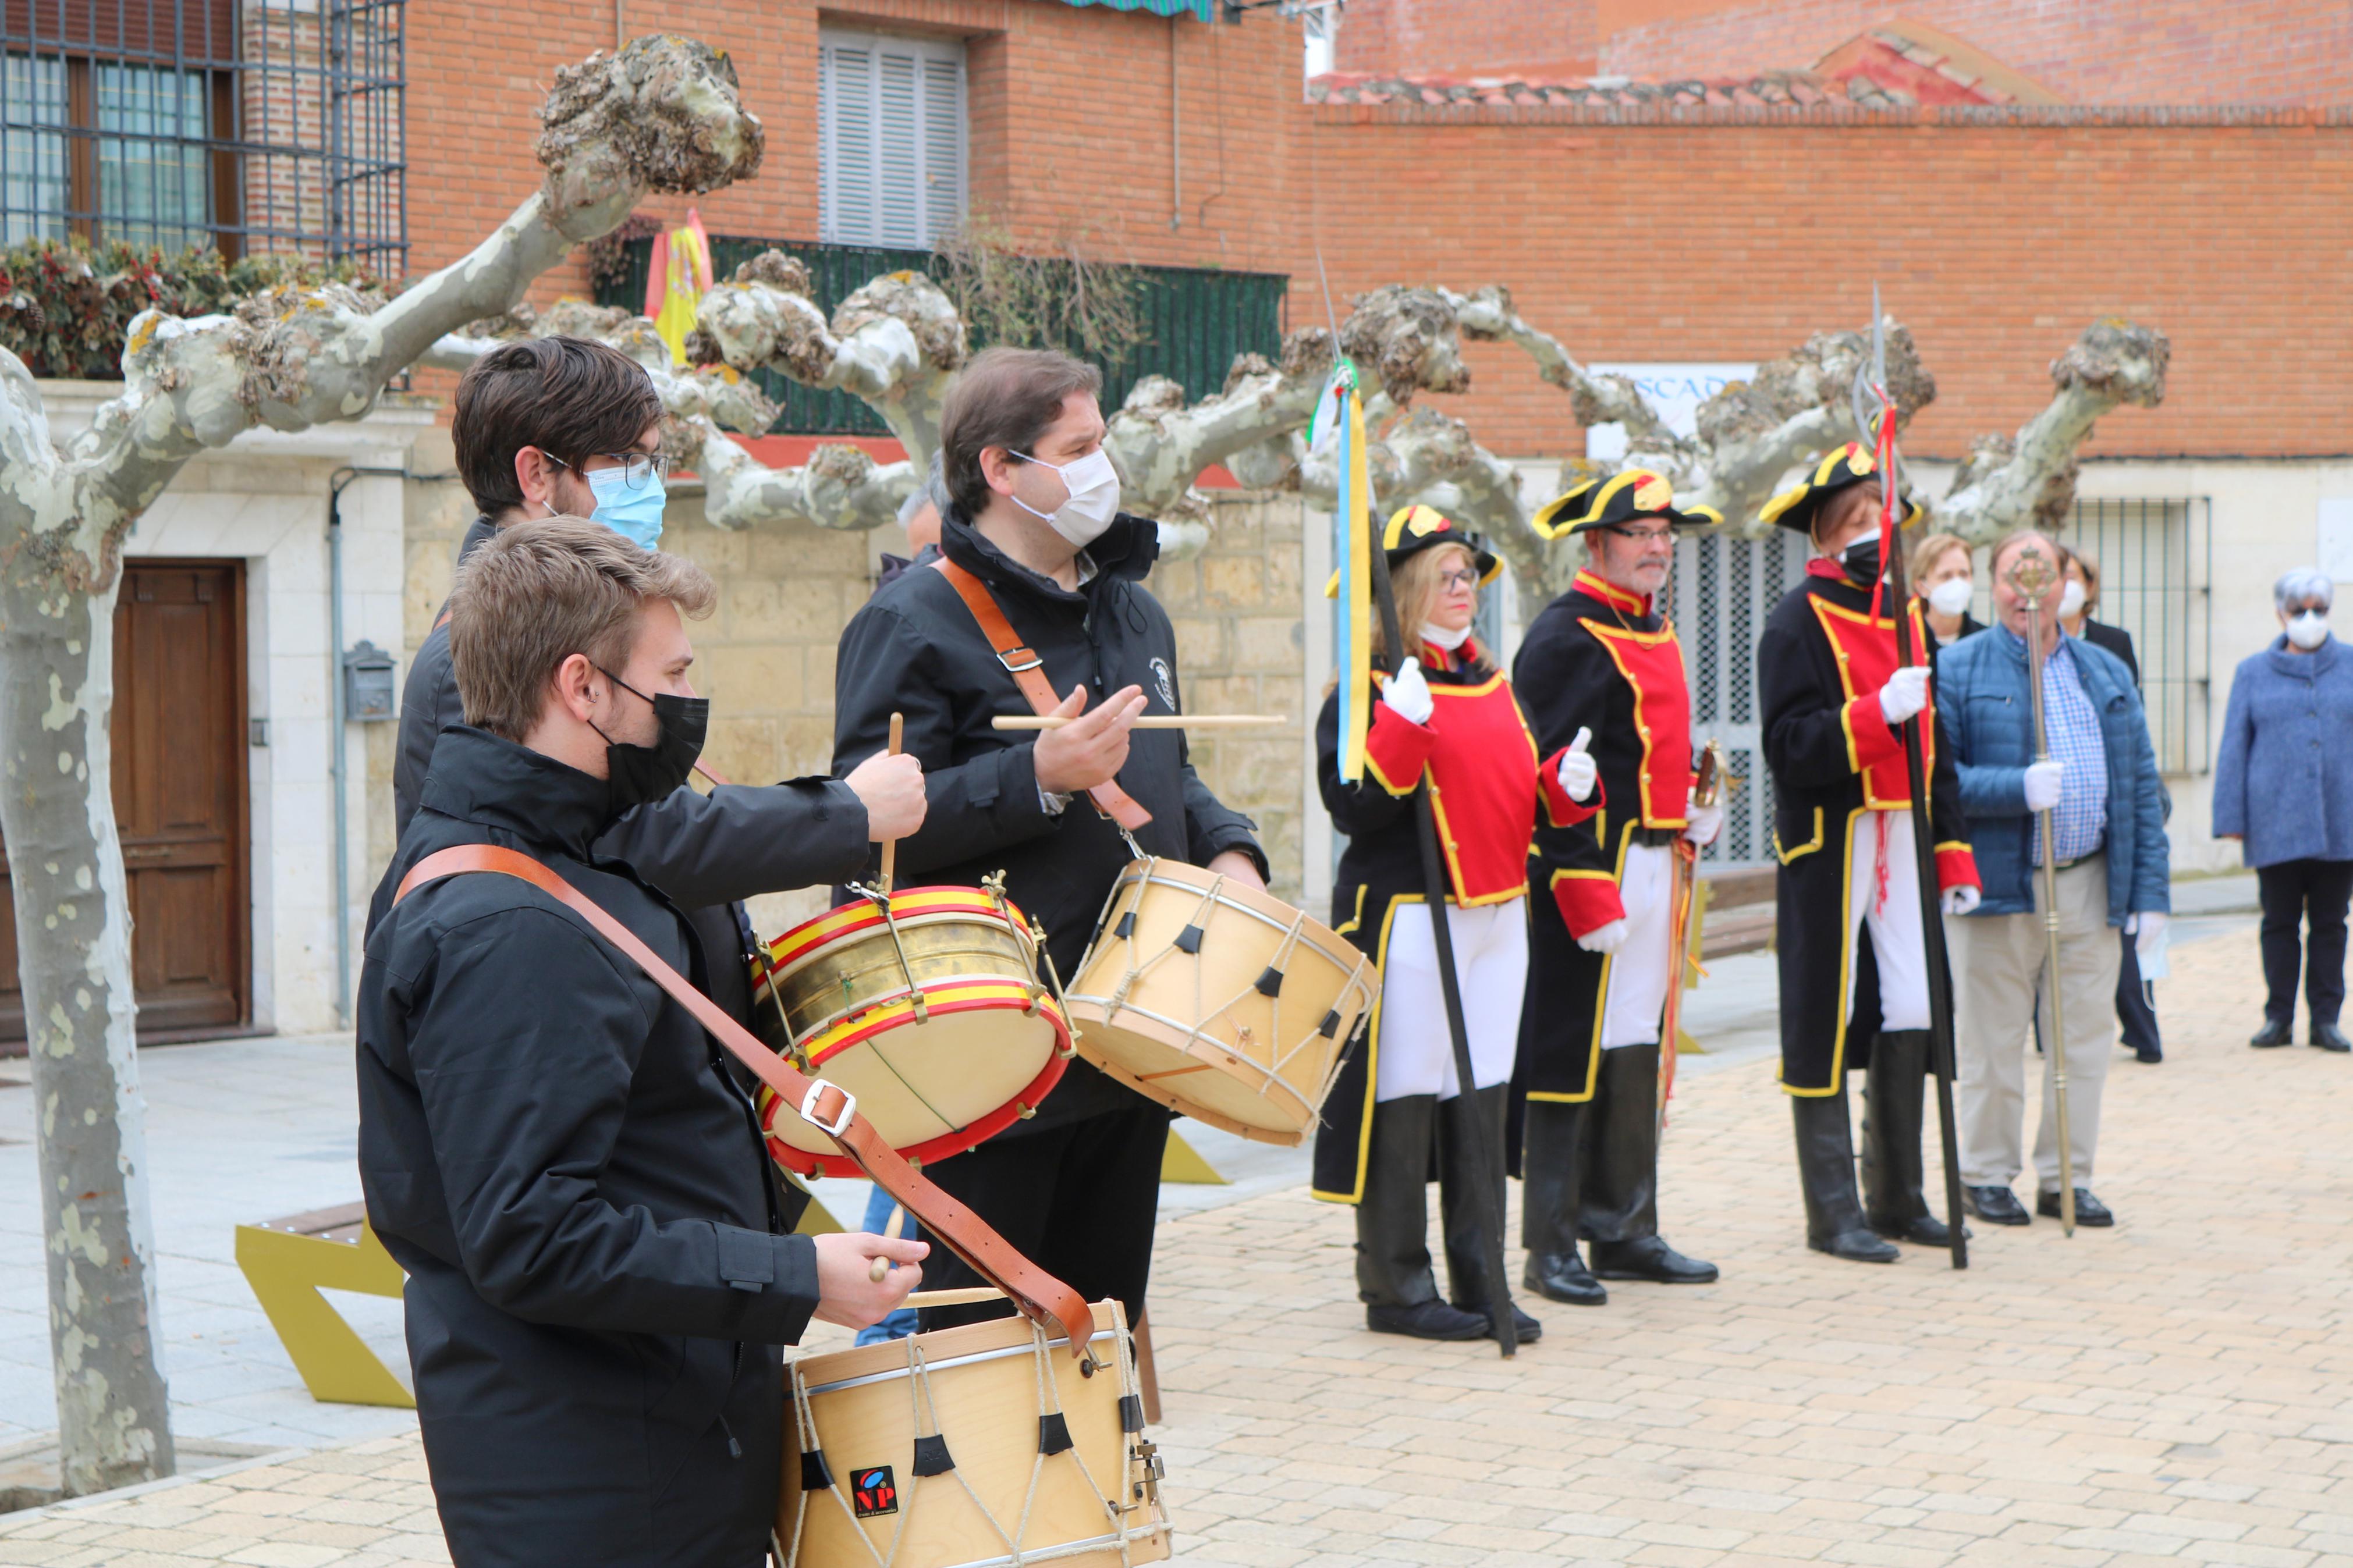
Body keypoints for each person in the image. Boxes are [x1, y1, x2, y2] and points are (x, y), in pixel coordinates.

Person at [359, 518, 927, 1567]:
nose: (685, 707)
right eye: (670, 677)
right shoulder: (509, 923)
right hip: (597, 1472)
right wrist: (796, 1276)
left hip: (649, 1421)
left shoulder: (573, 853)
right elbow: (533, 1234)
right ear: (583, 689)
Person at [832, 346, 1266, 1335]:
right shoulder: (909, 622)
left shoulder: (1132, 606)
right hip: (990, 1056)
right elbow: (864, 838)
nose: (1100, 468)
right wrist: (1031, 777)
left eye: (1100, 444)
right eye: (1077, 449)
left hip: (1132, 1038)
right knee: (983, 1360)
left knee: (1103, 1340)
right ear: (999, 468)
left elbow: (1166, 772)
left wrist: (1232, 851)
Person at [393, 336, 927, 1064]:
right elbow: (637, 839)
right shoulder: (475, 650)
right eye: (630, 462)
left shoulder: (568, 614)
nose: (653, 483)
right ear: (535, 474)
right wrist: (847, 813)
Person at [1310, 507, 1571, 1342]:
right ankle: (1395, 1284)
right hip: (1411, 919)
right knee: (1404, 1096)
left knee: (1481, 1095)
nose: (1464, 588)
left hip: (1496, 914)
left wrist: (1564, 784)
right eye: (1448, 574)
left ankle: (1481, 1275)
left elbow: (1518, 796)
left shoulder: (1492, 682)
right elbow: (1353, 807)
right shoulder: (1364, 694)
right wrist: (1400, 727)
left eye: (1467, 575)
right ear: (1405, 592)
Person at [1756, 445, 1981, 1263]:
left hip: (1905, 833)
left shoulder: (1906, 615)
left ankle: (1898, 1193)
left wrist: (1952, 854)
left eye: (1877, 517)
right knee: (1821, 1010)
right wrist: (1868, 715)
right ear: (1821, 533)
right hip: (1835, 837)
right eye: (1854, 520)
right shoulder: (1792, 621)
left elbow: (1936, 747)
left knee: (1915, 1006)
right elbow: (1787, 747)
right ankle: (1831, 1208)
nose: (1871, 532)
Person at [1510, 470, 1722, 1303]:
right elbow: (1549, 777)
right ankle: (1550, 1240)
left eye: (1664, 533)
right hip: (1590, 868)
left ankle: (1625, 1224)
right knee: (1568, 1045)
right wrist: (1582, 880)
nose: (1657, 546)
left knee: (1636, 1041)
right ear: (1596, 543)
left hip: (1651, 856)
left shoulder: (1652, 626)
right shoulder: (1566, 635)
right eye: (1639, 532)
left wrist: (1688, 811)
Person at [1938, 529, 2170, 1229]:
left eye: (2039, 576)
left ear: (2063, 585)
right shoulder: (1959, 668)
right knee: (1992, 1037)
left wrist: (2150, 894)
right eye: (2012, 576)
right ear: (1994, 585)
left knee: (2083, 1040)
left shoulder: (2103, 671)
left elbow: (2138, 786)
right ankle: (1984, 1173)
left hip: (2089, 880)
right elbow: (1939, 783)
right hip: (2001, 882)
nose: (2025, 593)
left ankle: (2066, 1174)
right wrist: (2015, 788)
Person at [2213, 567, 2353, 1053]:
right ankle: (2278, 1016)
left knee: (2332, 922)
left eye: (2318, 608)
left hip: (2340, 817)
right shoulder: (2252, 671)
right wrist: (2229, 816)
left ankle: (2326, 1019)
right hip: (2273, 817)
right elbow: (2235, 744)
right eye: (2299, 609)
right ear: (2280, 613)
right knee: (2278, 921)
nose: (2309, 617)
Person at [2053, 544, 2163, 1064]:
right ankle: (2049, 1030)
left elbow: (2129, 719)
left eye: (2074, 576)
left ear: (2089, 587)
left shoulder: (2112, 643)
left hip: (2110, 795)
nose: (2067, 585)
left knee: (2123, 927)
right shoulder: (2021, 644)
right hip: (2054, 804)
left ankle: (2141, 1027)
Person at [1911, 531, 1985, 648]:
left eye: (1964, 574)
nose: (1957, 583)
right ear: (1921, 587)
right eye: (1946, 576)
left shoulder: (1984, 641)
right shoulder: (1907, 642)